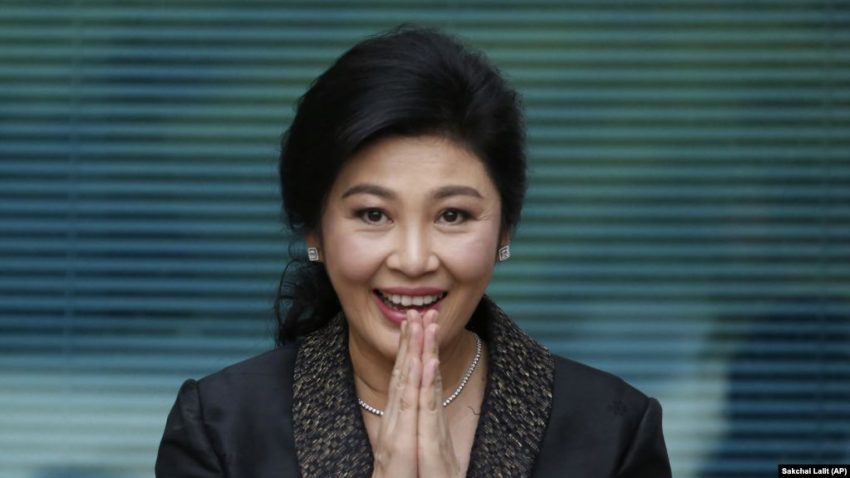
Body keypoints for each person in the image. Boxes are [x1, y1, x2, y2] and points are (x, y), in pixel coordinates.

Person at [155, 25, 672, 477]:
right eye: (373, 214)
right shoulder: (219, 430)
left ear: (505, 231)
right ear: (314, 232)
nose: (414, 259)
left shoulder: (614, 431)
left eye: (453, 215)